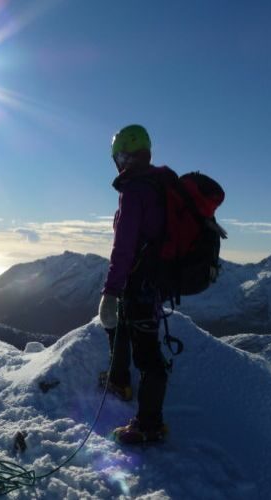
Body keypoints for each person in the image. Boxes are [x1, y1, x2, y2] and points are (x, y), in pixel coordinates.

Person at [98, 124, 169, 444]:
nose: (116, 162)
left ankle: (150, 424)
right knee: (122, 328)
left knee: (148, 354)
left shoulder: (135, 190)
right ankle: (119, 380)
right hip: (151, 281)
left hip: (138, 281)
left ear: (125, 155)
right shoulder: (158, 186)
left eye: (117, 156)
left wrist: (110, 291)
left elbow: (124, 246)